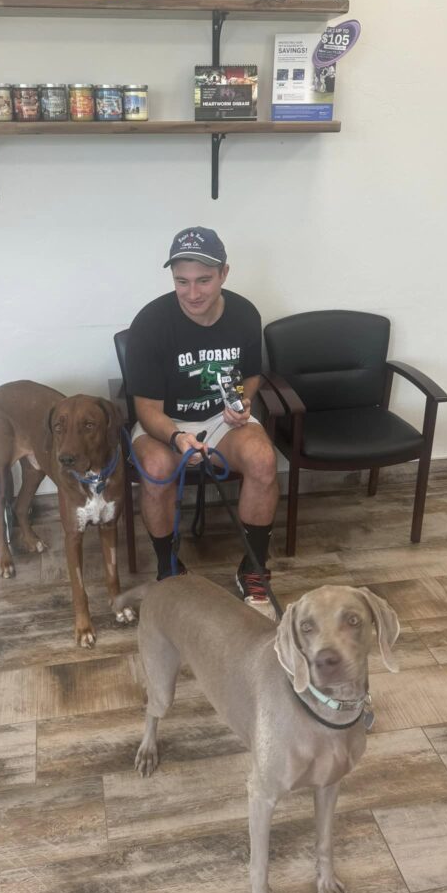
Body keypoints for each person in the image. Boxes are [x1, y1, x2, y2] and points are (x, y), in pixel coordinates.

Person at [125, 226, 279, 618]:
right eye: (182, 281)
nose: (192, 293)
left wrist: (241, 401)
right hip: (166, 420)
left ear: (224, 274)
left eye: (204, 280)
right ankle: (169, 570)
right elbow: (145, 407)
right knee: (157, 469)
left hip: (220, 417)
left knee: (263, 460)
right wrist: (177, 438)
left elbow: (251, 375)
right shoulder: (150, 322)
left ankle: (254, 571)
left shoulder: (245, 314)